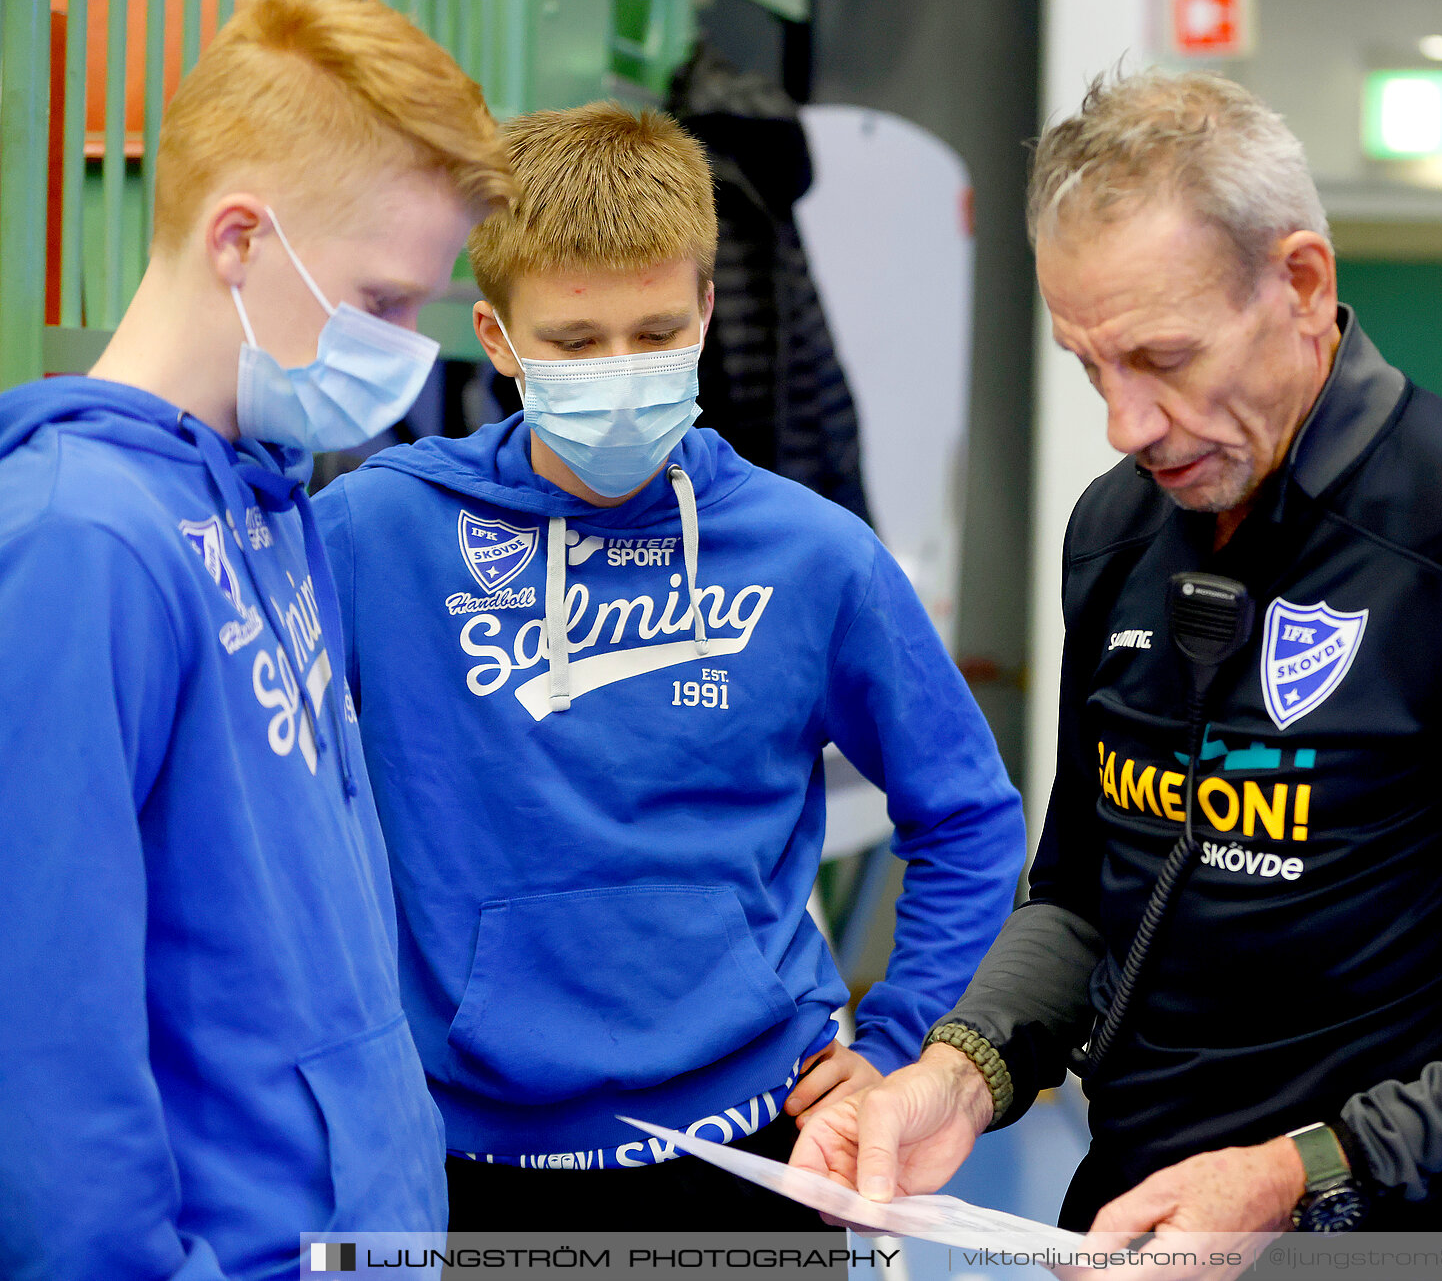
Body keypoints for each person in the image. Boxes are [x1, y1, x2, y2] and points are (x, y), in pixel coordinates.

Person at [791, 69, 1442, 1256]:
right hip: (1119, 1226)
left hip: (1380, 1238)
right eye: (1091, 366)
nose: (1127, 425)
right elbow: (1081, 892)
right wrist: (959, 1073)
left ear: (1301, 283)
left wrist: (1304, 1170)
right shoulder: (1115, 532)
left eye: (1164, 359)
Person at [308, 100, 1025, 1232]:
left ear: (704, 309)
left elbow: (972, 817)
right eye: (576, 343)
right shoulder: (372, 533)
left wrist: (897, 1041)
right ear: (496, 342)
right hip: (455, 1157)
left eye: (655, 333)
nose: (623, 372)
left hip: (753, 1145)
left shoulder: (814, 554)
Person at [0, 0, 513, 1280]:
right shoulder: (80, 543)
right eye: (386, 304)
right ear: (240, 238)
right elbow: (44, 1049)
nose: (403, 352)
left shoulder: (274, 501)